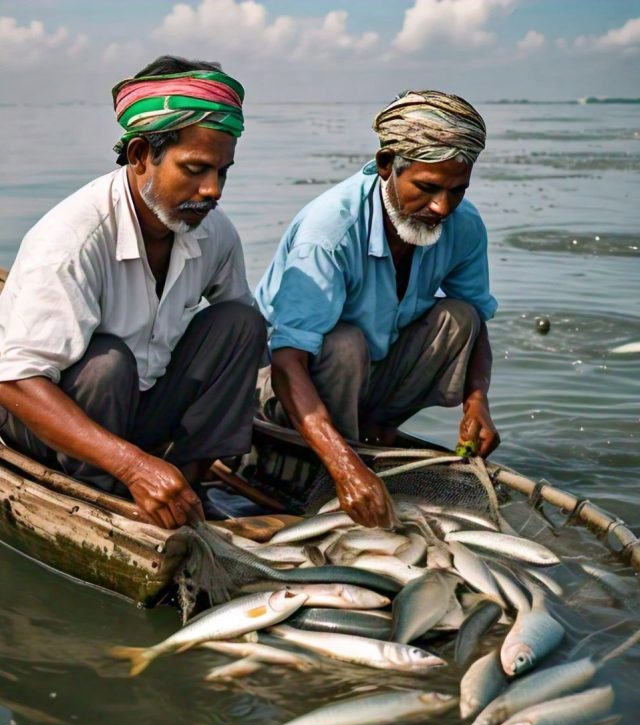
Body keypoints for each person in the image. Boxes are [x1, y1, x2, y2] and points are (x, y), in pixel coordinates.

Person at [0, 56, 266, 529]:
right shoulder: (72, 240)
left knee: (242, 324)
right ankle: (100, 497)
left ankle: (186, 487)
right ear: (142, 154)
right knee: (107, 363)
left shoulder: (213, 232)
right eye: (195, 169)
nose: (212, 190)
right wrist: (132, 466)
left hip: (139, 408)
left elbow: (238, 341)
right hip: (54, 424)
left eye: (222, 172)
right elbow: (15, 381)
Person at [255, 90, 499, 529]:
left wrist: (477, 402)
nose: (441, 207)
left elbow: (476, 319)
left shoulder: (462, 226)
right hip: (282, 389)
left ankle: (371, 433)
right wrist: (345, 468)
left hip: (366, 380)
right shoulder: (330, 231)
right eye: (426, 188)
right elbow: (287, 359)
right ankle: (338, 452)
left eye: (456, 191)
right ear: (387, 165)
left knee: (460, 317)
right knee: (344, 342)